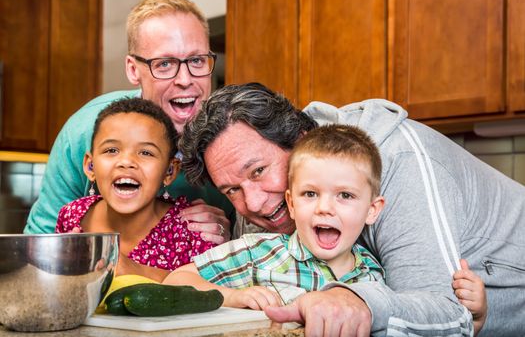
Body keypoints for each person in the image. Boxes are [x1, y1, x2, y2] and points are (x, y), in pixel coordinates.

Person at [179, 82, 523, 336]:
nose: (252, 203)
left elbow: (446, 310)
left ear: (300, 139)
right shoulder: (273, 198)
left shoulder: (396, 162)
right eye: (232, 190)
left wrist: (357, 300)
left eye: (258, 171)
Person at [24, 0, 233, 243]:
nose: (185, 80)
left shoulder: (232, 139)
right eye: (164, 64)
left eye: (197, 60)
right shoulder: (86, 130)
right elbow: (38, 242)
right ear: (133, 70)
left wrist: (229, 237)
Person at [163, 124, 386, 310]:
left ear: (371, 210)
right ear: (291, 203)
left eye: (345, 195)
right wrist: (232, 297)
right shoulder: (258, 253)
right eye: (310, 194)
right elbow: (175, 281)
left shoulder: (374, 274)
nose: (324, 208)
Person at [56, 98, 215, 282]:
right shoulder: (71, 217)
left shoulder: (193, 232)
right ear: (90, 166)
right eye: (111, 150)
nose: (126, 162)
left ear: (169, 171)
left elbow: (210, 295)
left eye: (146, 152)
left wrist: (131, 269)